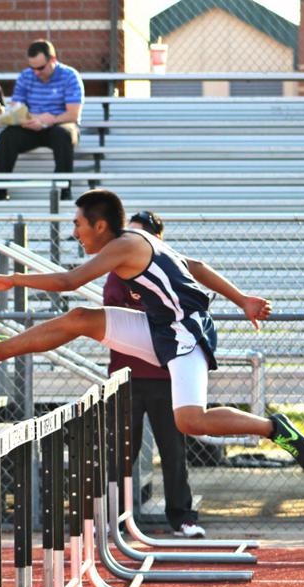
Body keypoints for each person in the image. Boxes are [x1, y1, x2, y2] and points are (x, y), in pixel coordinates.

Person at [0, 189, 304, 471]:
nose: (74, 233)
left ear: (100, 225)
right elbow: (196, 266)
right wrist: (242, 300)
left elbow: (69, 281)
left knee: (190, 421)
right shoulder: (137, 239)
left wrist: (14, 279)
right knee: (81, 318)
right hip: (158, 325)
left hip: (185, 331)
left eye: (78, 224)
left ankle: (274, 428)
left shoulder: (126, 245)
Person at [105, 210, 204, 538]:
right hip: (126, 375)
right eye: (129, 233)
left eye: (142, 233)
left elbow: (185, 311)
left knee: (173, 451)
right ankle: (114, 520)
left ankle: (183, 518)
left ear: (157, 238)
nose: (132, 239)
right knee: (120, 453)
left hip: (166, 374)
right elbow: (114, 313)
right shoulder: (118, 270)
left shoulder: (170, 267)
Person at [0, 40, 84, 202]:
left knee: (63, 134)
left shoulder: (70, 76)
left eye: (40, 68)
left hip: (59, 125)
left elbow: (73, 115)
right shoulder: (25, 76)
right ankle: (1, 190)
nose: (36, 72)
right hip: (31, 126)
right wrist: (28, 120)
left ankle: (64, 190)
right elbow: (17, 108)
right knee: (7, 136)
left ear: (53, 60)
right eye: (32, 67)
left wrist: (51, 120)